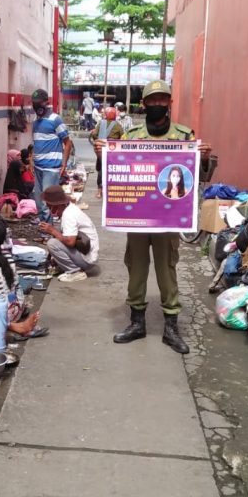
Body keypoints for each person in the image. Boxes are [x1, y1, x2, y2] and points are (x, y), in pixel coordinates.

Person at [95, 80, 212, 355]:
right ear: (144, 104)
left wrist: (204, 159)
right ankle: (137, 323)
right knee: (136, 269)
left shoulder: (184, 137)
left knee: (167, 270)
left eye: (163, 99)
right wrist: (103, 155)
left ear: (169, 103)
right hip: (137, 219)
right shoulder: (131, 136)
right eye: (152, 100)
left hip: (168, 221)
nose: (158, 104)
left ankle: (171, 327)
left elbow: (199, 177)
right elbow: (113, 171)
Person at [38, 185, 99, 282]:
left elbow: (70, 242)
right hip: (86, 252)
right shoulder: (69, 209)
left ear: (55, 205)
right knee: (56, 239)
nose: (48, 207)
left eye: (49, 205)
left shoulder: (68, 215)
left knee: (52, 243)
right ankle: (69, 266)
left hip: (87, 258)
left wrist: (52, 231)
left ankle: (74, 272)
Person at [30, 89, 71, 223]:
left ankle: (48, 232)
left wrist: (64, 164)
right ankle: (44, 231)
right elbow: (36, 143)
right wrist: (32, 160)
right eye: (34, 104)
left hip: (51, 169)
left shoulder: (55, 119)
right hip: (38, 168)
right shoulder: (36, 122)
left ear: (46, 102)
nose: (37, 107)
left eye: (39, 103)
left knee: (47, 203)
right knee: (38, 202)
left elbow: (67, 142)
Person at [90, 106, 122, 200]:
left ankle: (99, 190)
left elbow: (95, 135)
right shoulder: (117, 125)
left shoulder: (100, 123)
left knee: (101, 169)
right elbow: (123, 136)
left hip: (100, 149)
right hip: (112, 151)